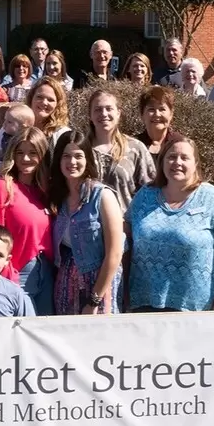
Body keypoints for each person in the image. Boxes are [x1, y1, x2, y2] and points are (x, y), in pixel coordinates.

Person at [127, 138, 214, 312]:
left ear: (195, 163)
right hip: (144, 304)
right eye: (171, 157)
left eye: (184, 158)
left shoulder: (212, 198)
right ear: (162, 161)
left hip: (197, 310)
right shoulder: (145, 195)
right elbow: (125, 240)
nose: (177, 162)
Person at [48, 130, 124, 315]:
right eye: (66, 156)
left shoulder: (102, 196)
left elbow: (115, 253)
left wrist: (95, 299)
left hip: (99, 283)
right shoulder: (58, 199)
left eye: (78, 156)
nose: (72, 162)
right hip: (66, 283)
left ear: (87, 159)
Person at [0, 128, 54, 315]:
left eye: (32, 153)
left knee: (43, 334)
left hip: (47, 273)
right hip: (16, 274)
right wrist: (6, 276)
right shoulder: (2, 187)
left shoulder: (46, 192)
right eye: (20, 152)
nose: (26, 159)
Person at [87, 89, 155, 211]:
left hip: (125, 226)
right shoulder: (81, 150)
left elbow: (150, 192)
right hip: (87, 226)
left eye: (109, 108)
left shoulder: (135, 148)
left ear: (118, 113)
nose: (103, 113)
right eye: (97, 109)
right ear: (90, 115)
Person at [0, 102, 35, 181]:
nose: (4, 124)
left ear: (22, 127)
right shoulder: (6, 136)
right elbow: (0, 152)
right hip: (5, 172)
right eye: (5, 120)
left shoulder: (28, 141)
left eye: (9, 122)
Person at [136, 86, 184, 166]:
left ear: (171, 114)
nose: (157, 114)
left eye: (162, 109)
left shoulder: (181, 144)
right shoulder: (133, 145)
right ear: (142, 115)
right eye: (151, 109)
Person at [25, 77, 70, 148]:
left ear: (58, 104)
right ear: (31, 98)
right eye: (39, 97)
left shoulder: (63, 134)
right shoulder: (13, 123)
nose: (44, 102)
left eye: (50, 100)